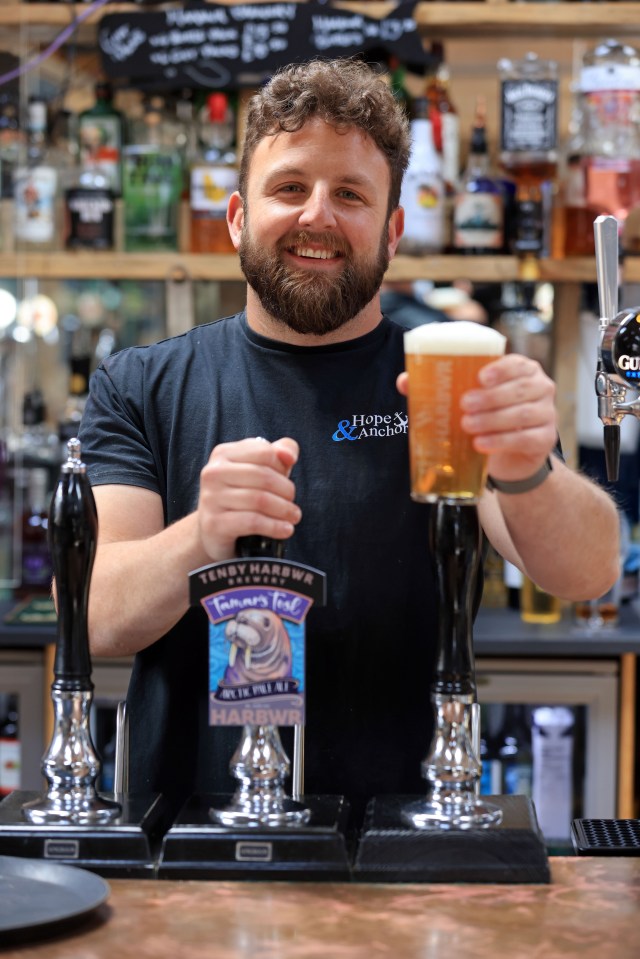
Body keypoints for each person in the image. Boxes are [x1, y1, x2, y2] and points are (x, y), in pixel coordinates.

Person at [78, 58, 620, 823]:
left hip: (398, 844)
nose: (317, 216)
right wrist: (200, 537)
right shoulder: (142, 384)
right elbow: (98, 616)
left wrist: (526, 469)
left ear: (393, 231)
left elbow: (588, 571)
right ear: (237, 216)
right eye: (290, 187)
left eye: (351, 195)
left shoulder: (446, 380)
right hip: (187, 845)